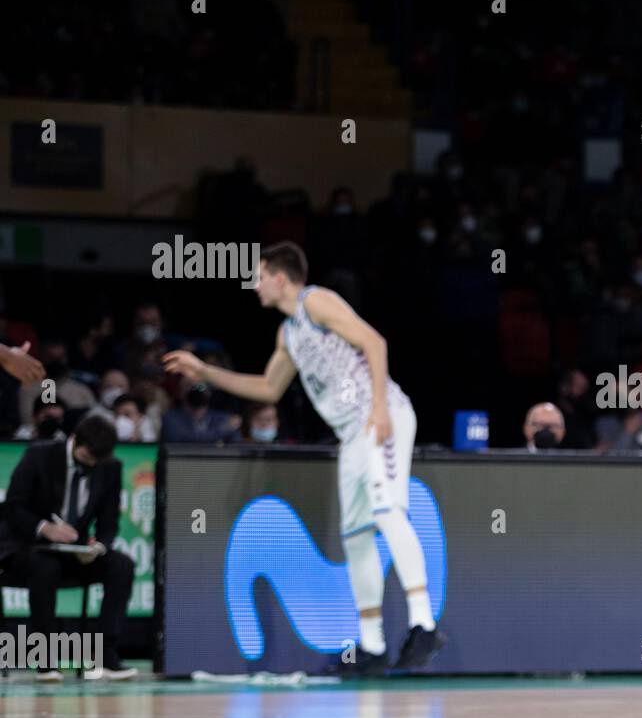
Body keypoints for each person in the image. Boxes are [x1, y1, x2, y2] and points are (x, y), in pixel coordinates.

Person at [163, 241, 445, 676]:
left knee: (389, 513)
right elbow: (267, 389)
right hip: (350, 435)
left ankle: (424, 624)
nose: (254, 285)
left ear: (280, 276)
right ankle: (372, 647)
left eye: (259, 276)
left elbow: (375, 341)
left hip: (379, 418)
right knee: (356, 536)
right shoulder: (289, 332)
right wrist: (205, 373)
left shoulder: (317, 300)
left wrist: (379, 411)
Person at [0, 415, 137, 680]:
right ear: (75, 441)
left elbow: (109, 522)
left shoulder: (110, 467)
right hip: (28, 548)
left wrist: (98, 546)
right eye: (87, 458)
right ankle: (46, 660)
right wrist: (45, 528)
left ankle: (106, 654)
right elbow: (14, 507)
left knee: (121, 565)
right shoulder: (39, 455)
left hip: (75, 551)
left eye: (97, 462)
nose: (92, 465)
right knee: (45, 566)